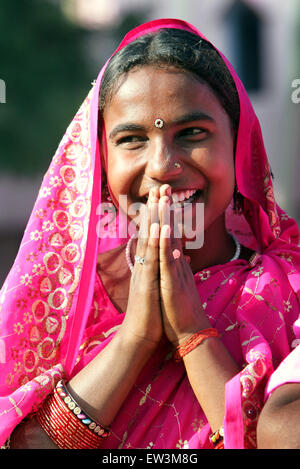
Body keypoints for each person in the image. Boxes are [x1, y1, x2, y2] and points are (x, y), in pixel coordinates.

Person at [0, 18, 299, 450]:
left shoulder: (287, 292)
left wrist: (193, 333)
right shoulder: (61, 299)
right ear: (101, 162)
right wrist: (135, 338)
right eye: (132, 139)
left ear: (239, 146)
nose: (162, 166)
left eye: (192, 133)